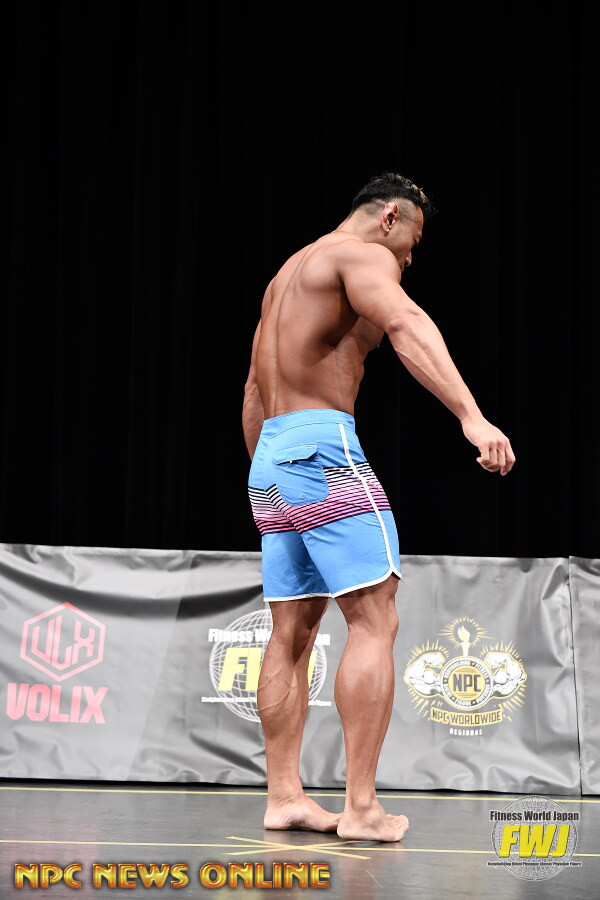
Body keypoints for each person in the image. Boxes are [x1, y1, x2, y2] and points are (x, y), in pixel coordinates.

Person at [242, 173, 516, 843]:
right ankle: (361, 808)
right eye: (412, 242)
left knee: (290, 631)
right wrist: (472, 417)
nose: (410, 259)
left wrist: (268, 475)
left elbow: (253, 390)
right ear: (390, 217)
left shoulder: (286, 276)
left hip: (270, 455)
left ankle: (284, 798)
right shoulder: (358, 253)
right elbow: (406, 323)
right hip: (322, 447)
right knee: (373, 619)